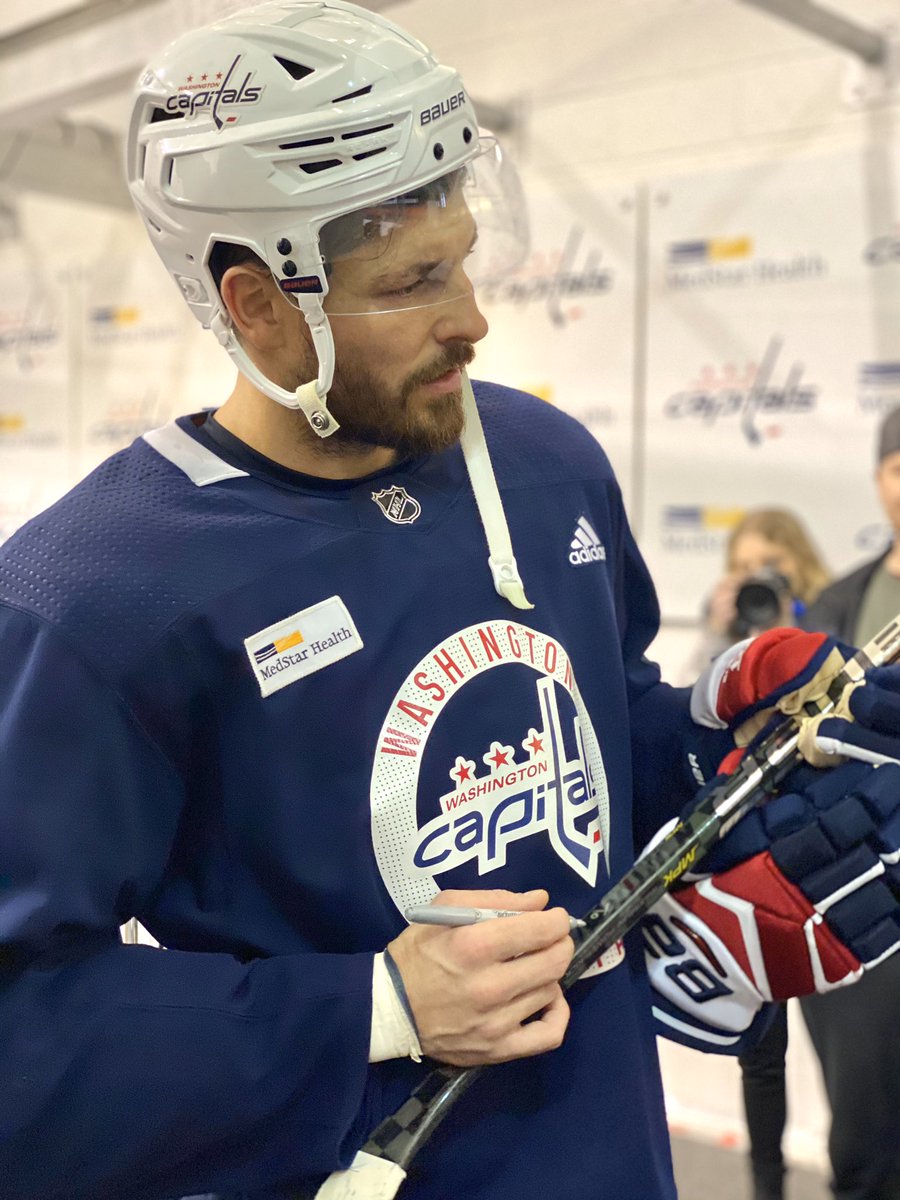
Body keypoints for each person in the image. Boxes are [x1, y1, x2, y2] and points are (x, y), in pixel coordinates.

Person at [0, 6, 897, 1200]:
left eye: (464, 257)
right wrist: (373, 1007)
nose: (472, 316)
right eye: (414, 281)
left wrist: (707, 733)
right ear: (259, 304)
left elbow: (590, 735)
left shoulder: (541, 461)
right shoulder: (95, 595)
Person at [689, 509, 831, 1200]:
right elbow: (687, 725)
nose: (757, 581)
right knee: (761, 1052)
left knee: (850, 1052)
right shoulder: (729, 637)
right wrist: (722, 636)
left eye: (769, 567)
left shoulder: (830, 624)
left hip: (826, 856)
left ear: (800, 567)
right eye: (743, 569)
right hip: (751, 861)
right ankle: (766, 1187)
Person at [796, 409, 900, 1200]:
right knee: (864, 1138)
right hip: (858, 898)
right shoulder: (836, 602)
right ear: (878, 479)